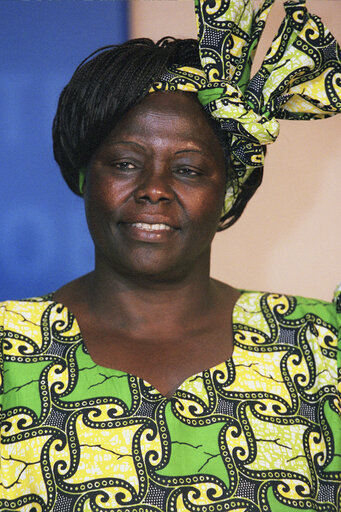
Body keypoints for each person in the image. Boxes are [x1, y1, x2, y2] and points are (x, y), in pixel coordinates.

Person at [0, 0, 340, 510]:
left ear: (228, 189)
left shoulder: (322, 349)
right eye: (125, 163)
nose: (154, 189)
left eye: (187, 169)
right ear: (83, 176)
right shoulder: (9, 351)